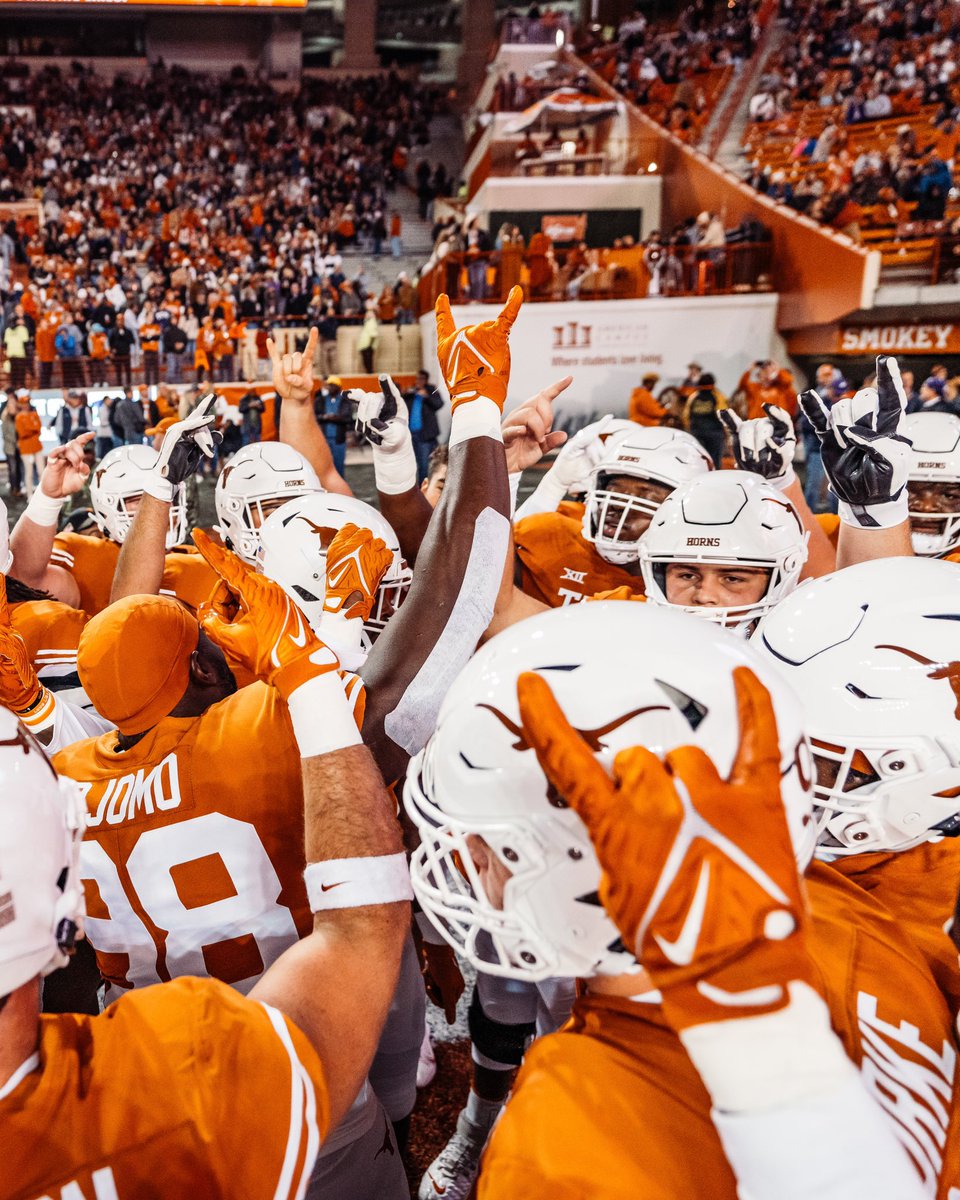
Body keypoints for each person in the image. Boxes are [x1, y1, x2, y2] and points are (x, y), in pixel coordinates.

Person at [404, 603, 936, 1200]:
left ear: (584, 870)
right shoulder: (848, 909)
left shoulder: (571, 1132)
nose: (467, 865)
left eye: (482, 847)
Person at [0, 585, 411, 1196]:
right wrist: (316, 651)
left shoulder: (72, 773)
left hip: (138, 1028)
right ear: (199, 665)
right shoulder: (259, 728)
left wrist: (38, 709)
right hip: (282, 1042)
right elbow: (413, 680)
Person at [405, 370, 445, 484]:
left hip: (425, 436)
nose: (419, 381)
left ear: (426, 380)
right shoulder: (412, 392)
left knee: (424, 465)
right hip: (411, 435)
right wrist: (406, 393)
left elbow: (439, 404)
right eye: (417, 378)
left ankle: (424, 489)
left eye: (421, 378)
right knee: (411, 465)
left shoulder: (431, 391)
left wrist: (426, 396)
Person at [683, 372, 727, 466]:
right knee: (714, 461)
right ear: (712, 384)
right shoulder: (718, 396)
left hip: (697, 432)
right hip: (714, 433)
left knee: (699, 460)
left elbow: (686, 416)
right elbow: (723, 414)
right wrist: (726, 431)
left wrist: (691, 429)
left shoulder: (693, 397)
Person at [315, 376, 353, 476]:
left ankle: (340, 490)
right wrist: (324, 417)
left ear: (338, 387)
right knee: (323, 467)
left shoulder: (345, 401)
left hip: (338, 440)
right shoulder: (320, 400)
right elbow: (315, 416)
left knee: (339, 467)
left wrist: (336, 418)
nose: (330, 387)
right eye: (329, 385)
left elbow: (348, 418)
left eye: (333, 385)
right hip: (324, 440)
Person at [15, 389, 44, 499]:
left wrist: (31, 429)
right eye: (23, 403)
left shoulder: (33, 414)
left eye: (27, 402)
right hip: (26, 448)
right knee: (29, 472)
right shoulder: (19, 417)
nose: (26, 405)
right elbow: (22, 433)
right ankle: (29, 495)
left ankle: (43, 494)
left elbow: (39, 429)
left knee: (42, 471)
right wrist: (33, 429)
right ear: (20, 404)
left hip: (37, 446)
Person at [2, 391, 23, 497]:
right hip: (10, 448)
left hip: (19, 448)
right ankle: (13, 488)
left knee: (18, 468)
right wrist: (16, 442)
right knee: (13, 469)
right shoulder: (5, 418)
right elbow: (6, 434)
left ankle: (18, 487)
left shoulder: (19, 417)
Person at [4, 313, 30, 392]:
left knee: (15, 372)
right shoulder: (22, 329)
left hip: (13, 353)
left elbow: (5, 343)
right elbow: (26, 343)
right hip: (19, 353)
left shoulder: (8, 330)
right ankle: (19, 386)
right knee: (19, 372)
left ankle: (16, 386)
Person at [358, 303, 379, 374]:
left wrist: (370, 345)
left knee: (368, 361)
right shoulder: (368, 322)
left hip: (367, 345)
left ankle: (370, 372)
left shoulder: (372, 322)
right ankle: (369, 372)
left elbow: (373, 335)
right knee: (367, 361)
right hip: (366, 345)